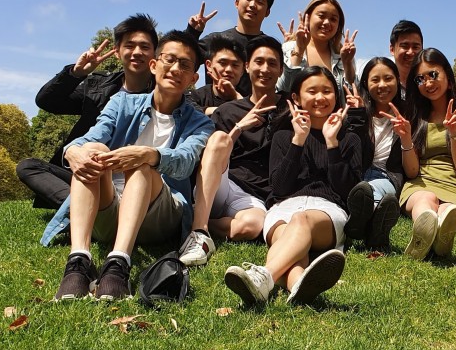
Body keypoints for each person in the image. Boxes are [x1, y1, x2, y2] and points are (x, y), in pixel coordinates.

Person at [44, 31, 213, 301]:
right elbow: (93, 136)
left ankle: (118, 264)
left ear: (193, 79)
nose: (175, 69)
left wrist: (148, 154)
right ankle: (79, 261)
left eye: (185, 64)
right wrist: (73, 151)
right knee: (92, 149)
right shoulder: (122, 102)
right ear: (154, 65)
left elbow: (184, 162)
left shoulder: (200, 123)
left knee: (142, 164)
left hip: (160, 212)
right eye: (169, 59)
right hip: (110, 205)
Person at [223, 67, 362, 307]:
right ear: (296, 98)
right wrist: (298, 140)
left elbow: (346, 190)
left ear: (335, 96)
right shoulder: (283, 136)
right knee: (294, 251)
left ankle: (263, 277)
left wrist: (332, 143)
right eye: (312, 91)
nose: (320, 97)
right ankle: (298, 284)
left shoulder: (349, 138)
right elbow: (279, 188)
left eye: (327, 91)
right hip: (282, 208)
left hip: (326, 213)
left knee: (300, 221)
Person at [17, 14, 157, 210]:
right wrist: (76, 73)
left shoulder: (163, 93)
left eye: (144, 47)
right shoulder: (97, 86)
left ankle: (89, 212)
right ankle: (83, 209)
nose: (137, 52)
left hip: (136, 178)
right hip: (90, 174)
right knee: (28, 166)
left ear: (154, 55)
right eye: (129, 46)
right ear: (117, 52)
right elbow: (47, 101)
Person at [178, 36, 286, 266]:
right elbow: (212, 153)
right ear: (248, 67)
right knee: (218, 139)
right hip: (224, 183)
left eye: (272, 63)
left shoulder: (289, 109)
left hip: (254, 196)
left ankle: (191, 220)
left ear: (281, 70)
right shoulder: (228, 110)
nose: (264, 69)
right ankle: (199, 232)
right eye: (258, 62)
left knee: (251, 227)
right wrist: (239, 127)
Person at [399, 49, 456, 259]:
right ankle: (424, 233)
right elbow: (411, 172)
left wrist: (455, 134)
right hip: (421, 182)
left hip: (454, 183)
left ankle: (439, 236)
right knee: (425, 199)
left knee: (449, 209)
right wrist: (406, 140)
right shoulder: (416, 116)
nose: (428, 83)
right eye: (420, 79)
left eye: (433, 75)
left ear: (447, 74)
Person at [345, 58, 415, 249]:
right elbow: (351, 154)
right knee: (361, 189)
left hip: (386, 177)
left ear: (397, 80)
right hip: (358, 174)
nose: (382, 85)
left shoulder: (408, 114)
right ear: (366, 84)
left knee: (373, 190)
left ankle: (358, 222)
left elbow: (411, 170)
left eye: (388, 78)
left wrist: (406, 136)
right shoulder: (358, 111)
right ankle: (374, 229)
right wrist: (356, 117)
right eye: (375, 80)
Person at [186, 0, 278, 97]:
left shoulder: (269, 48)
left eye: (260, 2)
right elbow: (184, 59)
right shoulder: (215, 41)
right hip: (214, 113)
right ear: (237, 3)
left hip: (255, 112)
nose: (252, 5)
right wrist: (192, 32)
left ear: (267, 12)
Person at [277, 0, 357, 93]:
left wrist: (347, 63)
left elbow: (353, 93)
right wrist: (299, 50)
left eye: (333, 19)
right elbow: (282, 89)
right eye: (321, 16)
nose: (327, 22)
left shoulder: (343, 54)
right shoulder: (287, 48)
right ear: (308, 17)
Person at [185, 34, 246, 115]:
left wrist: (237, 97)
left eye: (235, 65)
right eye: (223, 63)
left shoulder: (248, 99)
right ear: (209, 65)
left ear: (242, 70)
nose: (228, 70)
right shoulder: (194, 97)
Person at [388, 19, 424, 97]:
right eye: (405, 46)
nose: (410, 52)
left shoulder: (429, 85)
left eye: (415, 47)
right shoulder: (385, 86)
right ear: (392, 49)